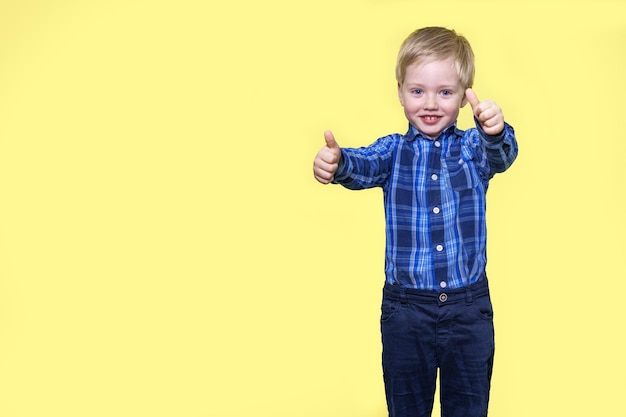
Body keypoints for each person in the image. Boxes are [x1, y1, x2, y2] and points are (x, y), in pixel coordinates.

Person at [312, 27, 518, 417]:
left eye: (445, 92)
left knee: (469, 409)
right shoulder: (392, 151)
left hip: (469, 309)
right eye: (417, 90)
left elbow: (502, 156)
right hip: (407, 313)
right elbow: (361, 165)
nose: (431, 103)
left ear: (463, 97)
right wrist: (337, 163)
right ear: (401, 92)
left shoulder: (474, 148)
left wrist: (494, 129)